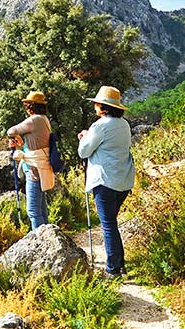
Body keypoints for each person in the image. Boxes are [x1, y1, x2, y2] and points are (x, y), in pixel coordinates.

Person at [78, 85, 136, 278]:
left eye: (96, 103)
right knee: (111, 222)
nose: (94, 106)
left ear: (103, 106)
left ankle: (113, 269)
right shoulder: (124, 124)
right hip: (123, 179)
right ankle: (120, 265)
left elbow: (83, 151)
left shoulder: (100, 126)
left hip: (104, 180)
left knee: (108, 224)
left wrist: (84, 137)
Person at [7, 90, 55, 230]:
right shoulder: (44, 119)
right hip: (42, 165)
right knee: (42, 210)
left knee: (33, 211)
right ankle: (48, 239)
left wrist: (15, 138)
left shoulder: (34, 120)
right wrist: (20, 141)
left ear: (30, 106)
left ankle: (40, 243)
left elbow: (11, 130)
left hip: (34, 168)